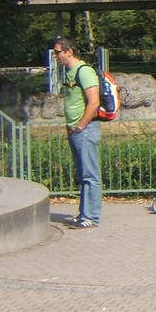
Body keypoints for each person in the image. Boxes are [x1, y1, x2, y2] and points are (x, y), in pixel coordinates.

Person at [53, 36, 102, 229]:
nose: (56, 56)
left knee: (90, 175)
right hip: (75, 129)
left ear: (69, 51)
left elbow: (94, 102)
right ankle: (84, 214)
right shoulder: (69, 72)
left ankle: (92, 217)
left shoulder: (84, 71)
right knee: (83, 175)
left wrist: (81, 125)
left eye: (57, 52)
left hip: (86, 130)